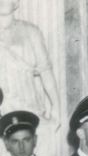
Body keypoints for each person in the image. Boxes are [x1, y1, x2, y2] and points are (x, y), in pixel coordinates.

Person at [0, 0, 61, 144]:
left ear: (16, 3)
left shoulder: (31, 32)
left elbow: (45, 70)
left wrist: (56, 107)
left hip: (28, 104)